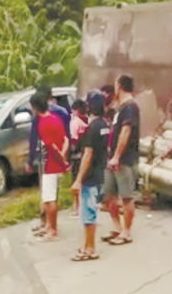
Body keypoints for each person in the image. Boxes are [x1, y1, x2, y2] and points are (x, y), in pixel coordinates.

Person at [70, 91, 110, 261]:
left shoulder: (91, 129)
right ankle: (87, 245)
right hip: (99, 173)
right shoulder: (104, 126)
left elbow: (87, 154)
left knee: (88, 214)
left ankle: (90, 249)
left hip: (90, 176)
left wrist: (78, 179)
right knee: (89, 211)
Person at [102, 75, 140, 246]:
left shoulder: (130, 107)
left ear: (120, 87)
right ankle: (117, 227)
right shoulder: (120, 107)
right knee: (108, 194)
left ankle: (127, 231)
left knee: (126, 196)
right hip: (112, 158)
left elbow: (126, 132)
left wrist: (117, 156)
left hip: (125, 159)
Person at [27, 86, 70, 233]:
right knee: (52, 195)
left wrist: (61, 160)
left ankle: (51, 228)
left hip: (49, 164)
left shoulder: (42, 123)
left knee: (49, 197)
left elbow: (50, 146)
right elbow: (65, 138)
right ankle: (48, 226)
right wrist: (64, 157)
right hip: (56, 162)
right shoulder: (58, 116)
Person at [69, 98, 88, 217]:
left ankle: (77, 207)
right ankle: (83, 205)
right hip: (86, 153)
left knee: (76, 179)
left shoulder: (75, 122)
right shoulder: (87, 121)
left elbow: (74, 139)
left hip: (77, 154)